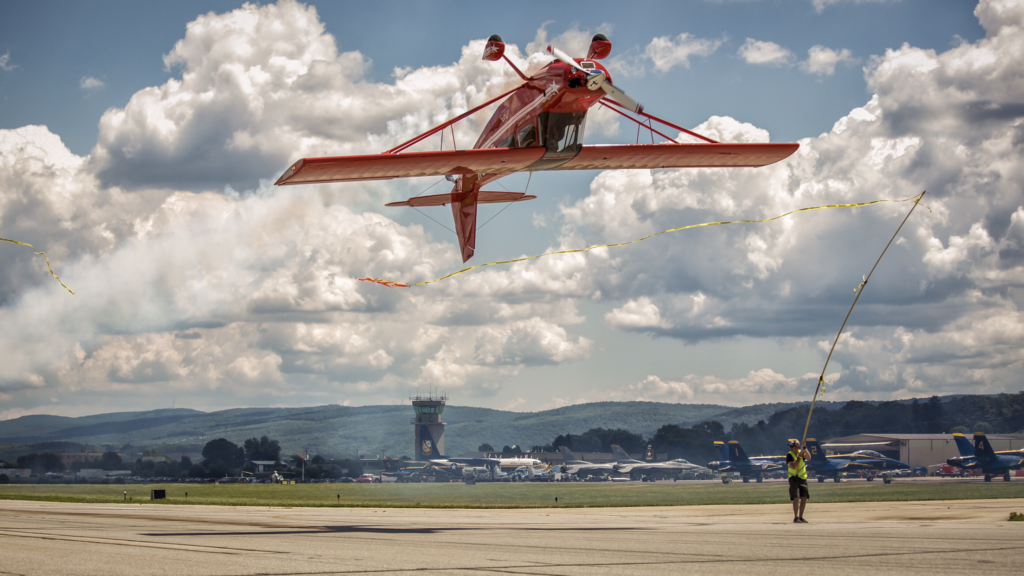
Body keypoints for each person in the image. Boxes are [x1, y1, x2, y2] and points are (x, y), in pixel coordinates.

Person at [787, 439, 810, 523]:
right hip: (793, 478)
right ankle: (796, 517)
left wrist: (805, 448)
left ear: (797, 447)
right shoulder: (789, 455)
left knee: (804, 497)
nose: (790, 448)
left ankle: (801, 517)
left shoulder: (801, 452)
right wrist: (799, 457)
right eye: (790, 446)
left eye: (792, 446)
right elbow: (793, 466)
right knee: (796, 497)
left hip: (802, 478)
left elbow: (809, 457)